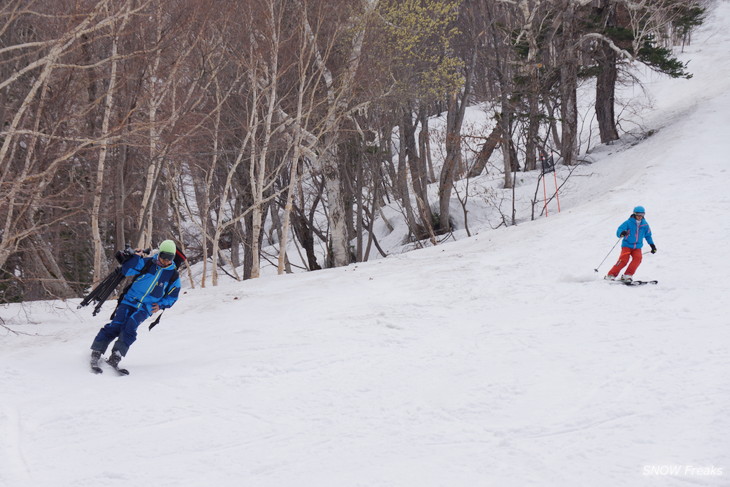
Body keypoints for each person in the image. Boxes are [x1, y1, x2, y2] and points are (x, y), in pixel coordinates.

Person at [90, 240, 181, 369]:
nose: (166, 261)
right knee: (117, 325)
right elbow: (127, 271)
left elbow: (172, 296)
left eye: (170, 258)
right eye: (164, 257)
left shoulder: (173, 275)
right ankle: (97, 351)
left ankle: (116, 355)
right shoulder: (148, 263)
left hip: (146, 307)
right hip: (130, 300)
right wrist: (136, 257)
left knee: (130, 327)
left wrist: (160, 305)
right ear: (159, 253)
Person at [605, 206, 657, 282]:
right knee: (624, 260)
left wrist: (652, 245)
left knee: (638, 259)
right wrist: (621, 233)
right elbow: (619, 230)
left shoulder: (645, 224)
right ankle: (611, 275)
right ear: (634, 214)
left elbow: (648, 236)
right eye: (638, 214)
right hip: (627, 245)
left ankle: (627, 275)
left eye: (642, 215)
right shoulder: (628, 222)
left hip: (637, 246)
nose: (640, 217)